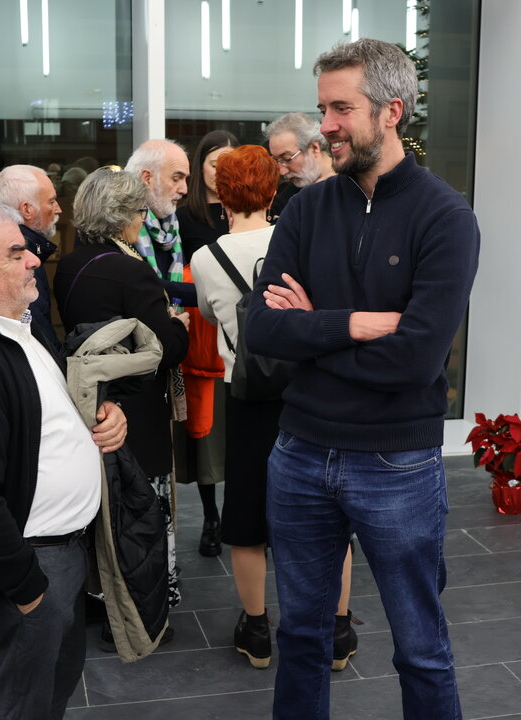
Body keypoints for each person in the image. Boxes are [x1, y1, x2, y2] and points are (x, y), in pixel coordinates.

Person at [245, 39, 480, 719]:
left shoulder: (446, 218)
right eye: (323, 108)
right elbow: (262, 330)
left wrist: (312, 327)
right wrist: (353, 324)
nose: (327, 126)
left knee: (420, 647)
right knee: (302, 636)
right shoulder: (307, 210)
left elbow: (414, 361)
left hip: (396, 462)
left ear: (392, 110)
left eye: (341, 108)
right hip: (299, 453)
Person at [0, 199, 127, 720]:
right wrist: (30, 592)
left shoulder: (16, 327)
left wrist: (100, 418)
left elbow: (42, 412)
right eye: (16, 253)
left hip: (59, 555)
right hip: (33, 565)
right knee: (23, 706)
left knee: (50, 691)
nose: (35, 258)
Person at [191, 145, 357, 671]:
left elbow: (209, 316)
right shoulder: (303, 238)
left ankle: (257, 630)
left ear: (222, 194)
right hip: (310, 390)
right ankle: (338, 630)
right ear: (271, 187)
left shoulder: (204, 258)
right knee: (331, 514)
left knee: (247, 516)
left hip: (249, 398)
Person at [53, 166, 190, 627]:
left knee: (105, 511)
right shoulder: (131, 272)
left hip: (91, 402)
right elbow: (168, 349)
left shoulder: (72, 263)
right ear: (121, 216)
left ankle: (101, 598)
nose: (143, 220)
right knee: (140, 512)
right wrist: (178, 324)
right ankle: (138, 612)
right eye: (139, 212)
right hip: (136, 408)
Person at [174, 130, 237, 557]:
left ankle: (239, 512)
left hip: (241, 329)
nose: (222, 171)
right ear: (201, 167)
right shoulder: (185, 215)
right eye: (215, 163)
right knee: (207, 427)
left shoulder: (252, 208)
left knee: (239, 421)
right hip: (201, 331)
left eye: (230, 163)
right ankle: (212, 516)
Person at [0, 164, 64, 352]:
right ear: (27, 209)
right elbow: (39, 340)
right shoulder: (21, 262)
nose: (58, 209)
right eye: (52, 201)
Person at [124, 139, 195, 306]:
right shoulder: (117, 222)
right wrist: (204, 294)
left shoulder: (170, 223)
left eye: (185, 179)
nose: (184, 189)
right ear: (147, 178)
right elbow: (141, 285)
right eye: (176, 178)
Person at [266, 112, 337, 189]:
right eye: (276, 161)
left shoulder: (348, 185)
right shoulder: (285, 195)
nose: (282, 172)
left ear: (314, 148)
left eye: (287, 159)